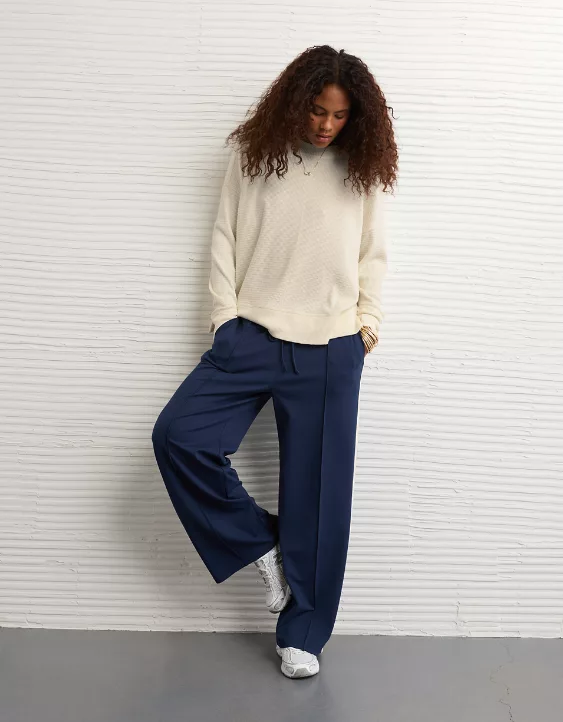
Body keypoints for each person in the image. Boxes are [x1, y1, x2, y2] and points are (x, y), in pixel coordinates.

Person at [152, 44, 398, 679]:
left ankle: (304, 635)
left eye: (339, 116)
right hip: (251, 336)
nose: (325, 125)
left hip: (333, 345)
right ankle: (263, 542)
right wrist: (224, 319)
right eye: (317, 110)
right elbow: (224, 237)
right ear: (296, 101)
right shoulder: (253, 154)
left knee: (320, 496)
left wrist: (367, 327)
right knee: (179, 436)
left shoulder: (361, 168)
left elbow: (373, 252)